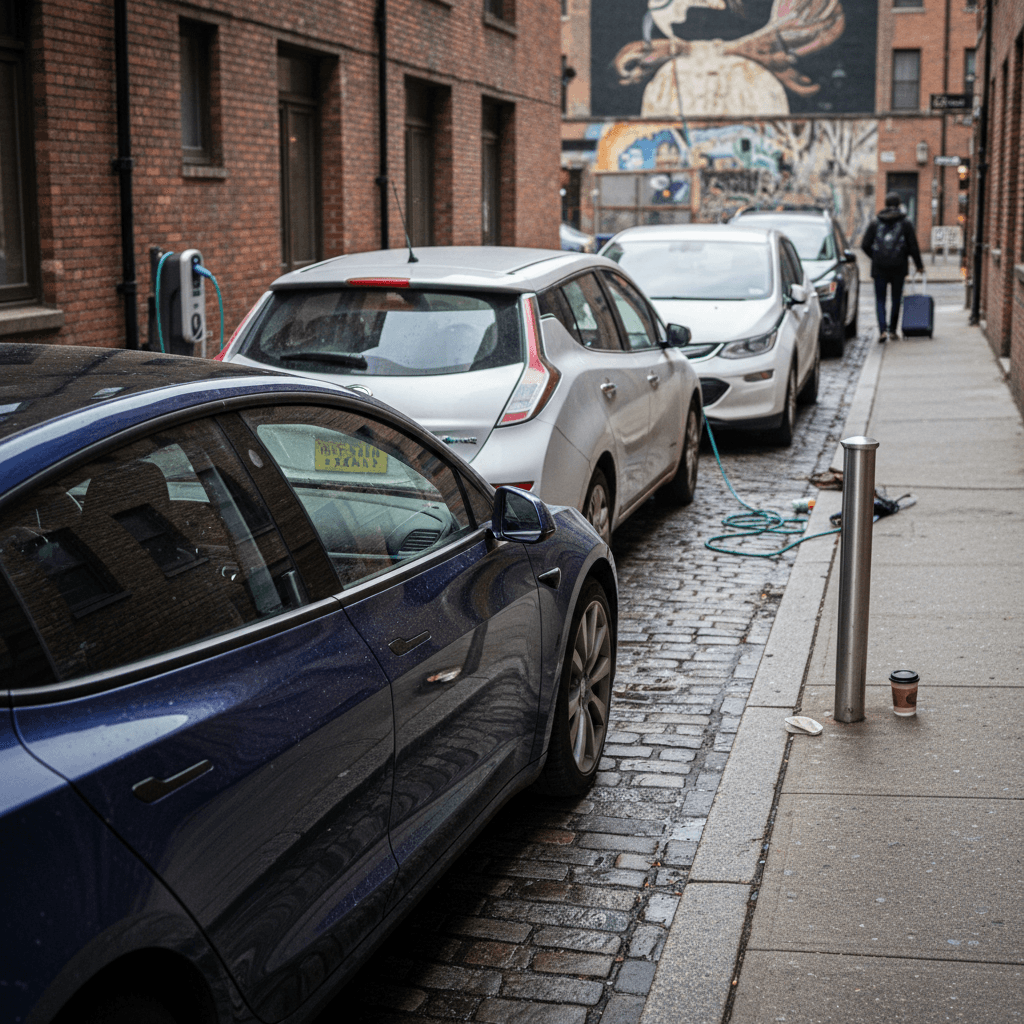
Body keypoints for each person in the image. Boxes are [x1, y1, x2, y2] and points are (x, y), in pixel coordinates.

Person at [861, 192, 924, 342]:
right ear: (899, 204)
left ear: (885, 204)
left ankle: (882, 330)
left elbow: (864, 245)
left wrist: (876, 257)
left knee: (880, 300)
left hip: (879, 268)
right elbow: (913, 246)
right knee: (896, 299)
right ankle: (893, 331)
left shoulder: (876, 222)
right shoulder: (905, 223)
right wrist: (919, 265)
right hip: (899, 267)